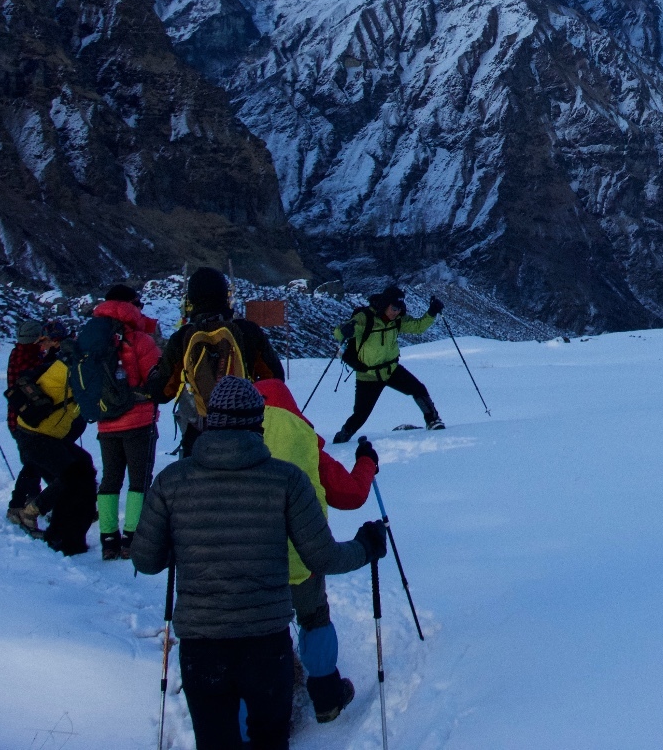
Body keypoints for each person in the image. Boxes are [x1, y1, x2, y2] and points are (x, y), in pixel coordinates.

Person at [131, 377, 385, 750]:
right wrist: (365, 547)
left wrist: (187, 540)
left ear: (210, 421)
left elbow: (146, 559)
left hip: (201, 642)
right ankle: (325, 692)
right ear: (258, 423)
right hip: (266, 637)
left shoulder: (172, 481)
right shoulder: (287, 477)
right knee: (271, 734)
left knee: (216, 740)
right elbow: (326, 552)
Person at [256, 376, 378, 723]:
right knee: (314, 618)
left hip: (250, 561)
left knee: (262, 628)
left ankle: (267, 704)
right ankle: (327, 696)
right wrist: (367, 462)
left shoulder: (234, 439)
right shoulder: (305, 440)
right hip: (304, 556)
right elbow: (352, 495)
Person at [146, 267, 285, 457]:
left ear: (191, 300)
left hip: (198, 436)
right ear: (225, 296)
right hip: (245, 434)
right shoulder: (248, 331)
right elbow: (275, 380)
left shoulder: (182, 338)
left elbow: (162, 392)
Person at [7, 319, 97, 554]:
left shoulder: (59, 361)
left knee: (77, 469)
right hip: (39, 433)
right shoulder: (73, 369)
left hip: (37, 429)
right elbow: (91, 406)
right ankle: (32, 513)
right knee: (72, 476)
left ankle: (32, 511)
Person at [87, 283, 162, 560]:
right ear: (131, 306)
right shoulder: (139, 340)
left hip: (106, 422)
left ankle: (108, 539)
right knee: (138, 480)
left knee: (110, 479)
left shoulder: (92, 340)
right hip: (139, 421)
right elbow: (156, 380)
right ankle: (132, 537)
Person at [330, 285, 445, 442]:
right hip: (368, 374)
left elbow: (417, 327)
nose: (396, 312)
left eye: (399, 308)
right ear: (385, 304)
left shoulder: (397, 320)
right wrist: (345, 331)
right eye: (394, 307)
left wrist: (432, 312)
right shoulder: (366, 318)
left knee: (418, 388)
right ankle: (342, 437)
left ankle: (433, 420)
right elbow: (338, 332)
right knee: (361, 414)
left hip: (390, 369)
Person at [4, 319, 49, 518]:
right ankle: (20, 504)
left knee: (33, 462)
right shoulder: (32, 358)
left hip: (17, 418)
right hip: (28, 420)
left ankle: (31, 499)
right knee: (33, 463)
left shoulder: (17, 353)